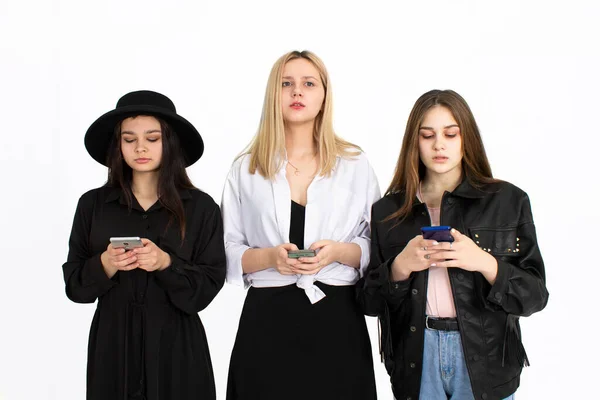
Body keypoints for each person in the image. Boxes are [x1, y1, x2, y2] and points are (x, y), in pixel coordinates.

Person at [358, 90, 549, 400]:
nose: (439, 144)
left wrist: (484, 262)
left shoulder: (508, 201)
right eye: (427, 135)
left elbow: (535, 297)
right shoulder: (388, 211)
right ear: (414, 142)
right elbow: (369, 304)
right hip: (416, 358)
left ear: (466, 138)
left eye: (450, 133)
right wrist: (399, 267)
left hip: (486, 359)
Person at [221, 50, 380, 400]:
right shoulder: (246, 169)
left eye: (308, 83)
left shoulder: (355, 164)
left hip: (338, 318)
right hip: (267, 320)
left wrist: (338, 252)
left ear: (323, 96)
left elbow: (376, 244)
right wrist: (269, 259)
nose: (297, 92)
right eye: (286, 84)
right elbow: (227, 251)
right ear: (273, 95)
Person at [62, 90, 226, 400]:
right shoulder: (93, 205)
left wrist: (166, 263)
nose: (140, 147)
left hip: (177, 351)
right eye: (129, 139)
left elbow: (206, 288)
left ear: (169, 142)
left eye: (152, 138)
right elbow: (75, 287)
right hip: (113, 350)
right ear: (117, 144)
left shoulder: (201, 208)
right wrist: (106, 264)